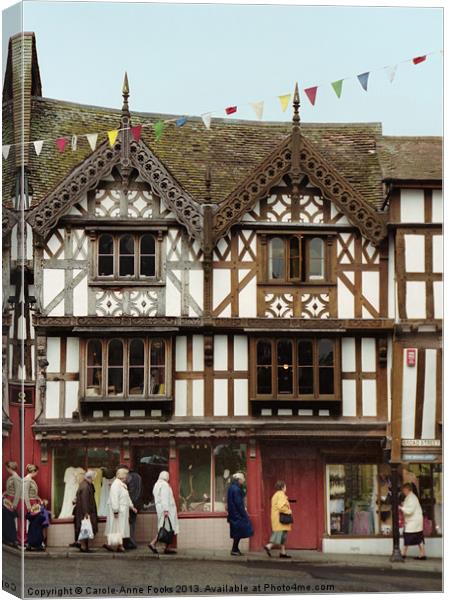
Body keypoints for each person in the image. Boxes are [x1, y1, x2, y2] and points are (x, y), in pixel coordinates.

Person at [104, 468, 137, 553]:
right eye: (126, 475)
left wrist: (132, 506)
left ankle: (117, 545)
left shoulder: (122, 485)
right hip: (118, 510)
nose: (127, 477)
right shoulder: (116, 485)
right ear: (122, 475)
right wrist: (115, 511)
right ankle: (116, 545)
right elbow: (114, 498)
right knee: (117, 527)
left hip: (123, 511)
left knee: (120, 528)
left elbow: (126, 497)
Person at [148, 471, 179, 555]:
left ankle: (166, 547)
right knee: (167, 529)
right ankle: (154, 543)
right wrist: (166, 510)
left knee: (164, 528)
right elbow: (165, 498)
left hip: (160, 509)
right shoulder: (164, 485)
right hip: (167, 510)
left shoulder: (157, 484)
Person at [226, 472, 253, 556]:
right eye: (242, 480)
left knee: (236, 532)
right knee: (238, 532)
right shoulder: (236, 489)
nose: (243, 481)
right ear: (238, 480)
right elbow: (239, 504)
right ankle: (234, 550)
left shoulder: (232, 488)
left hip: (233, 514)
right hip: (237, 514)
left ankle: (235, 549)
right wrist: (244, 514)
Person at [264, 481, 292, 559]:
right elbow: (281, 507)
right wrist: (288, 511)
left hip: (277, 518)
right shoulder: (281, 495)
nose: (286, 488)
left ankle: (283, 552)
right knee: (280, 535)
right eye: (285, 487)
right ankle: (268, 546)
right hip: (281, 519)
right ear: (282, 487)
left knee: (282, 535)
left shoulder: (276, 495)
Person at [117, 465, 142, 550]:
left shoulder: (129, 477)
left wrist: (129, 504)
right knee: (132, 524)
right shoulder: (138, 477)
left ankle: (129, 543)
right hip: (136, 503)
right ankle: (131, 542)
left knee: (128, 524)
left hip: (129, 504)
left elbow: (129, 492)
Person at [399, 483, 426, 560]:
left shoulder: (412, 498)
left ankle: (403, 553)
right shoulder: (410, 497)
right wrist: (403, 505)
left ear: (407, 489)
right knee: (418, 537)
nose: (403, 491)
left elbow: (409, 511)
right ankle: (422, 554)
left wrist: (401, 508)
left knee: (407, 535)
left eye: (404, 490)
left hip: (413, 521)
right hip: (414, 521)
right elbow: (408, 506)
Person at [73, 471, 98, 553]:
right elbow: (85, 501)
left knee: (84, 528)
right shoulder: (86, 486)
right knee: (84, 528)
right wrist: (86, 513)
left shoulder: (85, 484)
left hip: (82, 511)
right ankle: (84, 547)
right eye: (94, 477)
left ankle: (84, 546)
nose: (95, 478)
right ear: (90, 477)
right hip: (85, 512)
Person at [2, 461, 22, 547]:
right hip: (8, 500)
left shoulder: (15, 478)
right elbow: (12, 489)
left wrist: (14, 505)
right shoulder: (13, 477)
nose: (6, 469)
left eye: (7, 468)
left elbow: (18, 492)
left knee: (9, 520)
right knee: (7, 519)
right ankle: (7, 538)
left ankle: (11, 539)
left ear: (10, 468)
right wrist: (5, 493)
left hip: (12, 501)